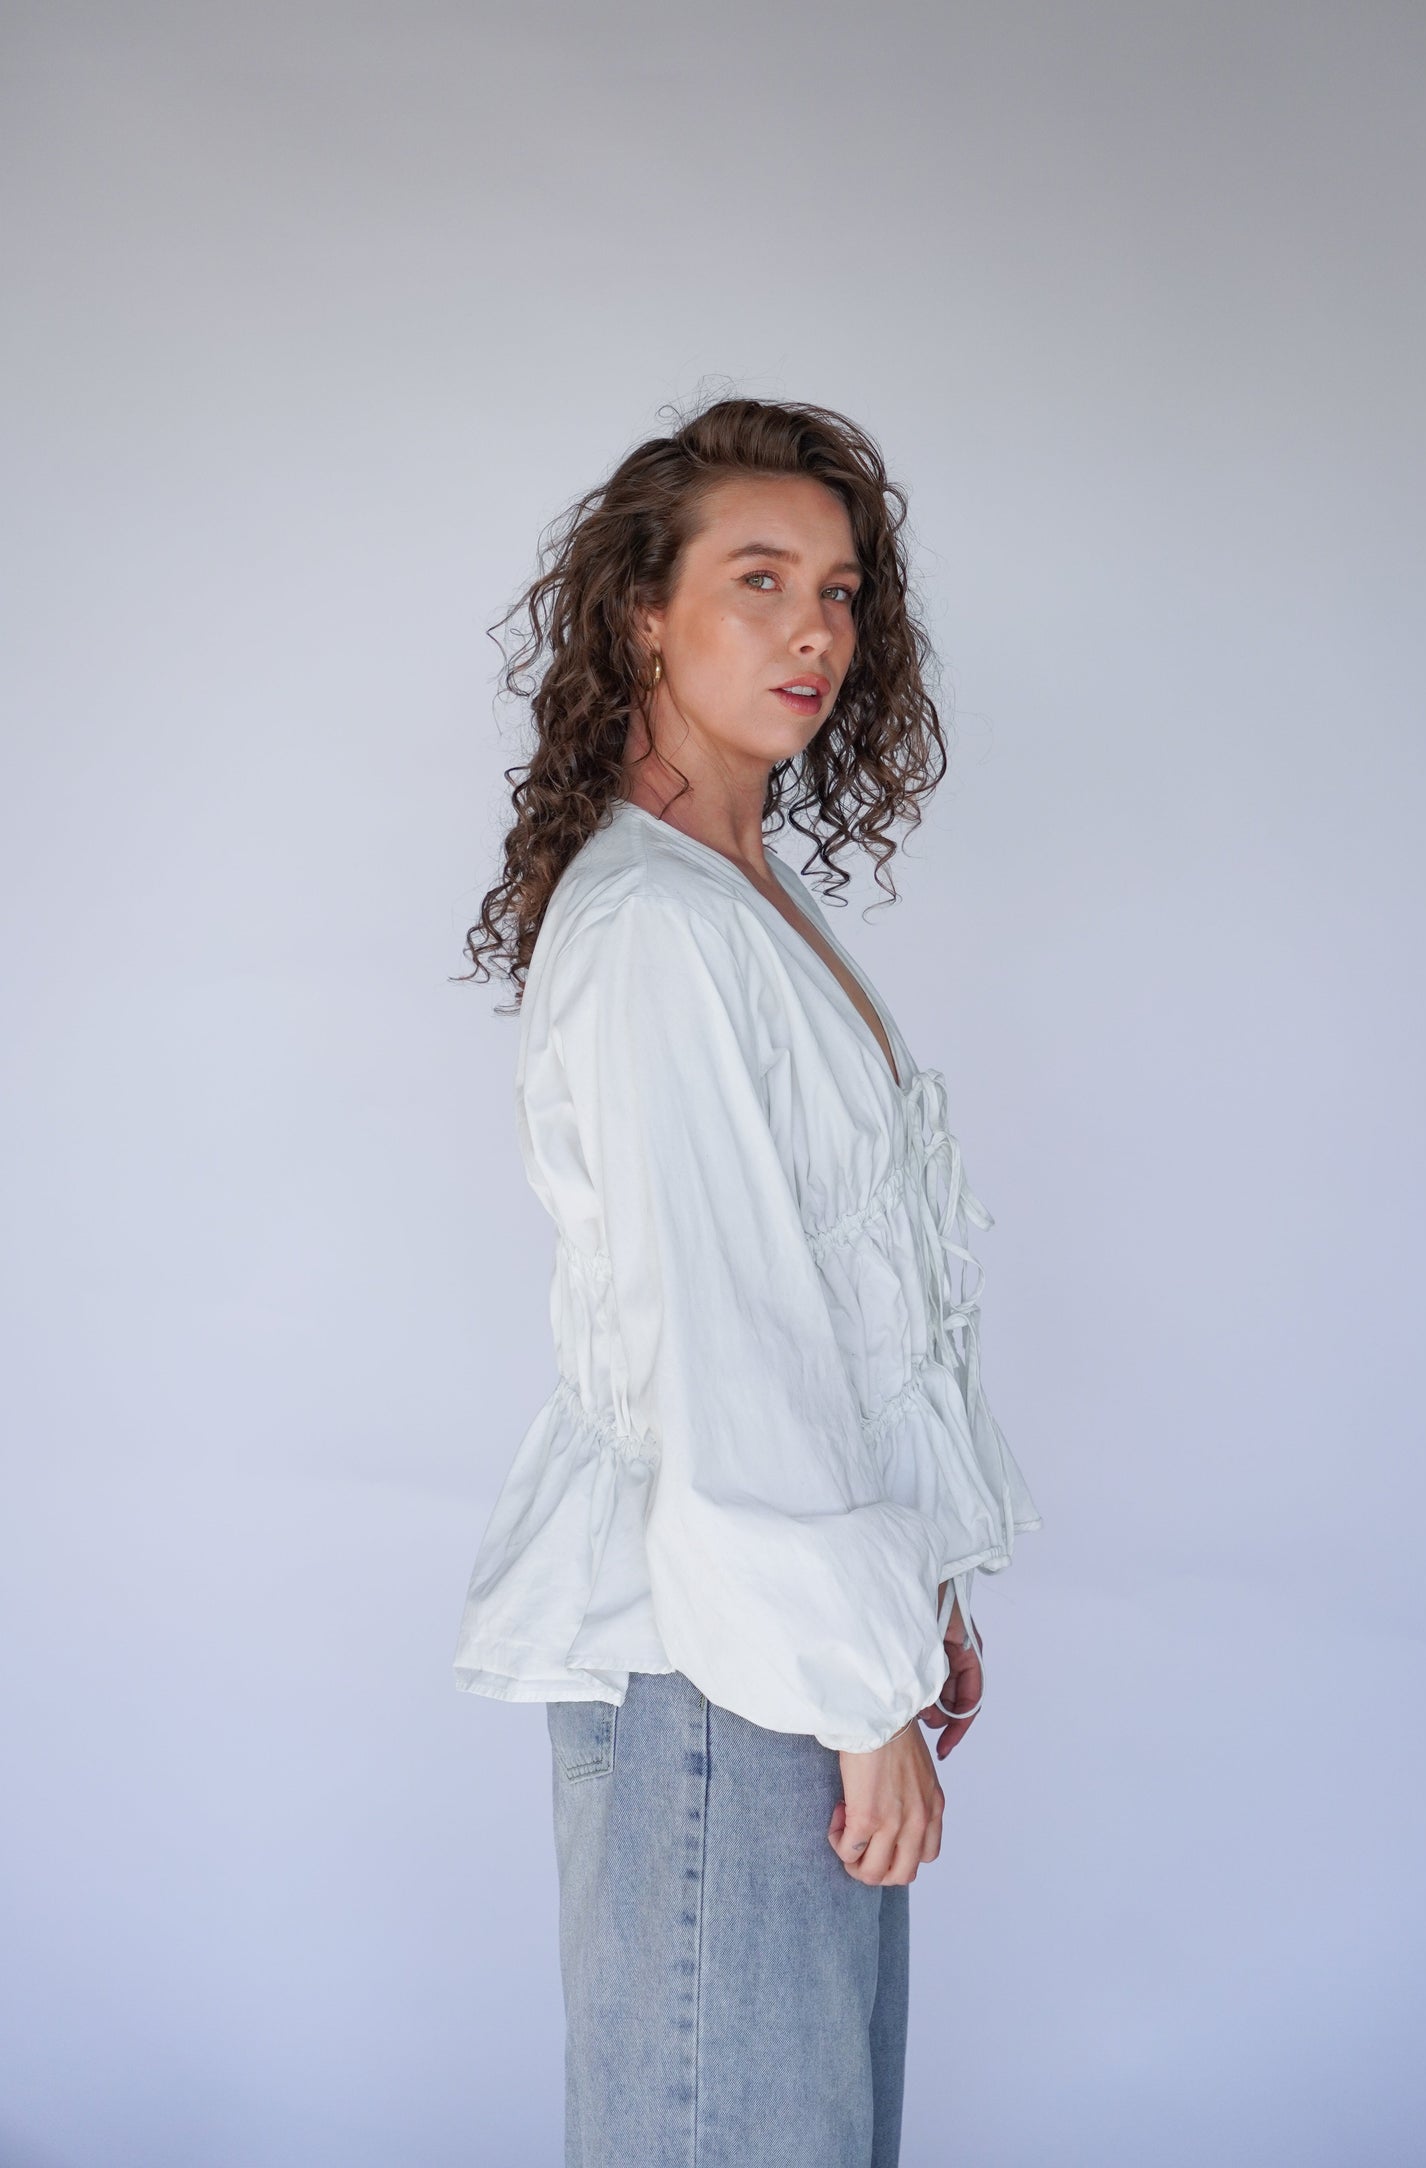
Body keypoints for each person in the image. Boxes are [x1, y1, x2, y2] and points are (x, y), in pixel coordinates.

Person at [453, 395, 1042, 2168]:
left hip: (773, 1637)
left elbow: (836, 1321)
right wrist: (856, 1685)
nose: (815, 632)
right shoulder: (655, 929)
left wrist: (906, 1581)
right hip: (723, 1667)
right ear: (642, 611)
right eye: (761, 578)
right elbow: (732, 1347)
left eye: (844, 592)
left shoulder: (733, 898)